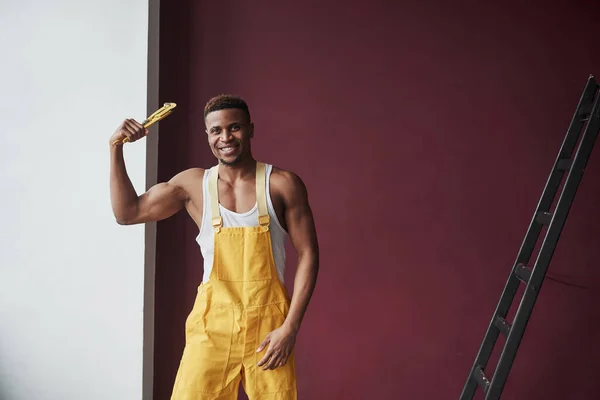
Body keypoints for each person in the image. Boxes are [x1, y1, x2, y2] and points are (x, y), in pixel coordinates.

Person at [109, 95, 319, 400]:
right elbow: (127, 213)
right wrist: (116, 148)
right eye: (216, 131)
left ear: (250, 130)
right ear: (207, 136)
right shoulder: (193, 185)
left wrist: (290, 328)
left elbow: (309, 254)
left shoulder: (282, 184)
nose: (225, 138)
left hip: (269, 327)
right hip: (212, 324)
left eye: (234, 128)